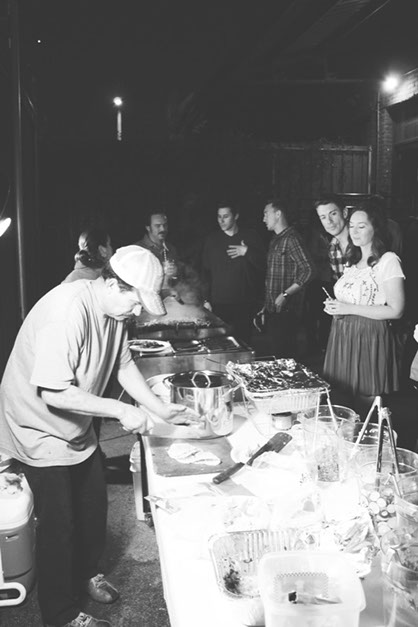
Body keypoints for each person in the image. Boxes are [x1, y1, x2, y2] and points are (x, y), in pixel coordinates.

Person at [0, 245, 193, 627]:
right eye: (136, 302)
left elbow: (122, 364)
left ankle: (86, 572)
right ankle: (61, 615)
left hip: (76, 424)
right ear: (114, 284)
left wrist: (158, 408)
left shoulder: (115, 312)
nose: (137, 312)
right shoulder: (67, 310)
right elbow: (53, 392)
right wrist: (120, 410)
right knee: (59, 526)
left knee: (92, 508)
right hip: (39, 427)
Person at [323, 201, 405, 416]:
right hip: (342, 333)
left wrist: (348, 307)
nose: (354, 231)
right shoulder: (352, 261)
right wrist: (335, 307)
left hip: (369, 335)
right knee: (341, 400)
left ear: (375, 228)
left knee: (365, 403)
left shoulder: (388, 260)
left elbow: (396, 310)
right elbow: (349, 300)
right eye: (351, 226)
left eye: (361, 226)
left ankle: (369, 436)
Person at [202, 203, 266, 343]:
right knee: (221, 344)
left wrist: (247, 251)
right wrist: (206, 300)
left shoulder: (250, 236)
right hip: (219, 304)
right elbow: (206, 272)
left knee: (243, 343)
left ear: (236, 216)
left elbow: (264, 265)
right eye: (219, 216)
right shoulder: (212, 240)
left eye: (225, 216)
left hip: (245, 303)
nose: (221, 220)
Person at [259, 199, 314, 357]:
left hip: (287, 312)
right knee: (276, 356)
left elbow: (309, 270)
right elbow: (272, 276)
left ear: (278, 214)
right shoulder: (275, 239)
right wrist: (266, 306)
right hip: (274, 311)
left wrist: (286, 294)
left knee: (284, 357)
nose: (263, 219)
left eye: (266, 214)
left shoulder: (291, 239)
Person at [134, 211, 179, 290]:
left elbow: (178, 281)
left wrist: (175, 273)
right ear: (148, 228)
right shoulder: (138, 250)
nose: (163, 229)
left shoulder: (171, 249)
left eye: (165, 225)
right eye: (158, 226)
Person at [314, 193, 349, 284]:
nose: (329, 221)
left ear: (344, 213)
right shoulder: (332, 249)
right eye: (323, 217)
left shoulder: (361, 241)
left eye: (333, 214)